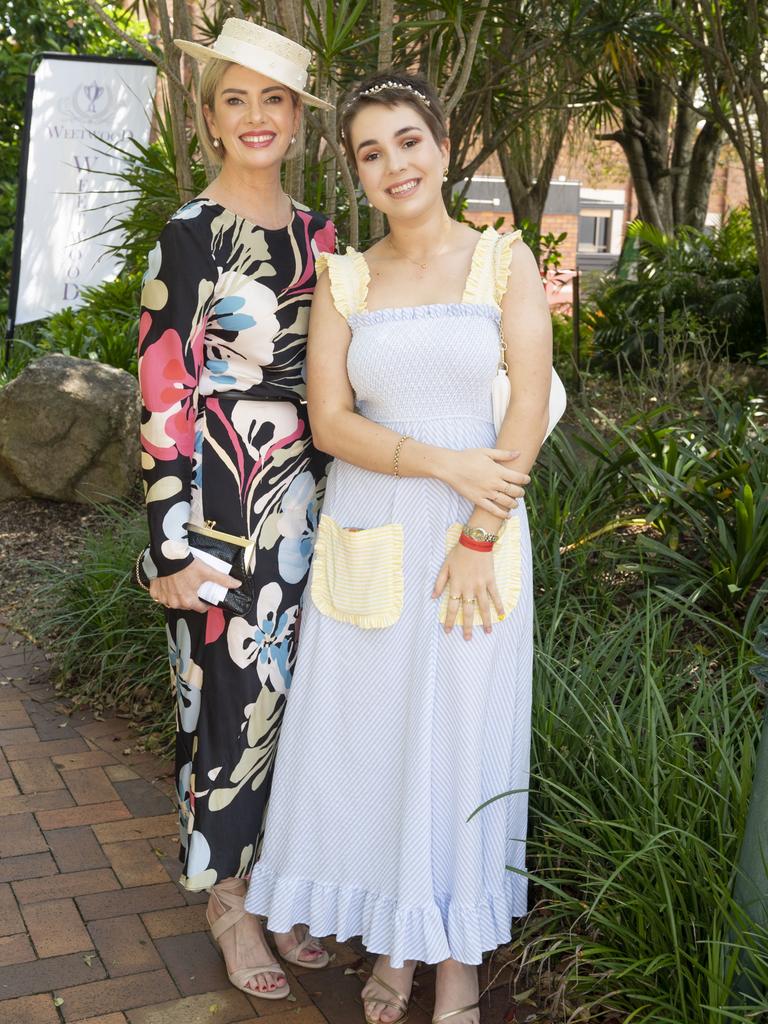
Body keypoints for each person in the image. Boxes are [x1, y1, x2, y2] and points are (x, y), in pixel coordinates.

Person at [244, 70, 555, 1024]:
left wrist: (477, 526)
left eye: (408, 141)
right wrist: (440, 465)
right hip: (371, 530)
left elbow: (530, 411)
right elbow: (331, 423)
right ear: (356, 172)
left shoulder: (504, 263)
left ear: (444, 143)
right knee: (371, 742)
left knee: (461, 743)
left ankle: (454, 964)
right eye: (371, 152)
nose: (394, 164)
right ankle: (390, 941)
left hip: (477, 543)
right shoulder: (345, 278)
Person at [137, 18, 337, 1000]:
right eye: (235, 99)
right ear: (212, 119)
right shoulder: (188, 235)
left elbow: (340, 388)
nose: (255, 117)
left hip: (302, 504)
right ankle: (229, 902)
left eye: (274, 99)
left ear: (297, 119)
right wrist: (168, 550)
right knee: (220, 703)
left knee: (293, 708)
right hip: (215, 500)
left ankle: (283, 883)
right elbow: (161, 398)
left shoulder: (321, 237)